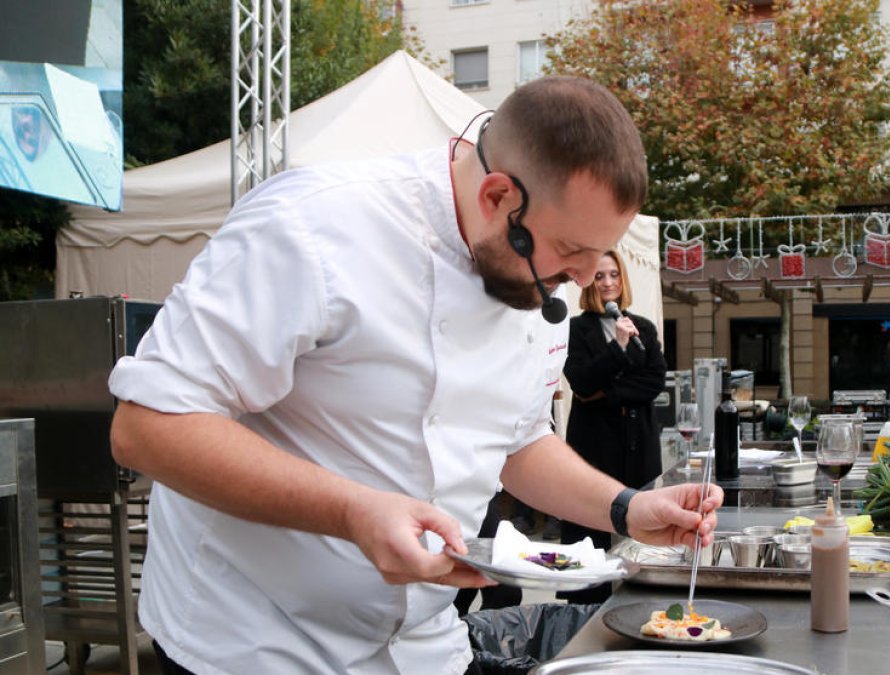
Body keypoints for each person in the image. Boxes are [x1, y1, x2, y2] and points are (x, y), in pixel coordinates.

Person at [107, 76, 723, 675]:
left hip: (425, 644)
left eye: (598, 255)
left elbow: (517, 442)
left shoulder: (543, 285)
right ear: (498, 198)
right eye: (569, 252)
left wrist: (626, 508)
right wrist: (353, 511)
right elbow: (148, 426)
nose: (588, 279)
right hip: (253, 638)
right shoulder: (310, 225)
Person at [558, 249, 667, 604]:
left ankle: (639, 606)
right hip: (595, 445)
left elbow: (654, 383)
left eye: (614, 275)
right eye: (601, 276)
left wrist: (608, 392)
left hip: (638, 443)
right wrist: (617, 349)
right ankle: (582, 614)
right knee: (591, 528)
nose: (608, 283)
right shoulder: (575, 328)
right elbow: (581, 382)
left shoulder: (644, 328)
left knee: (639, 531)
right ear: (590, 281)